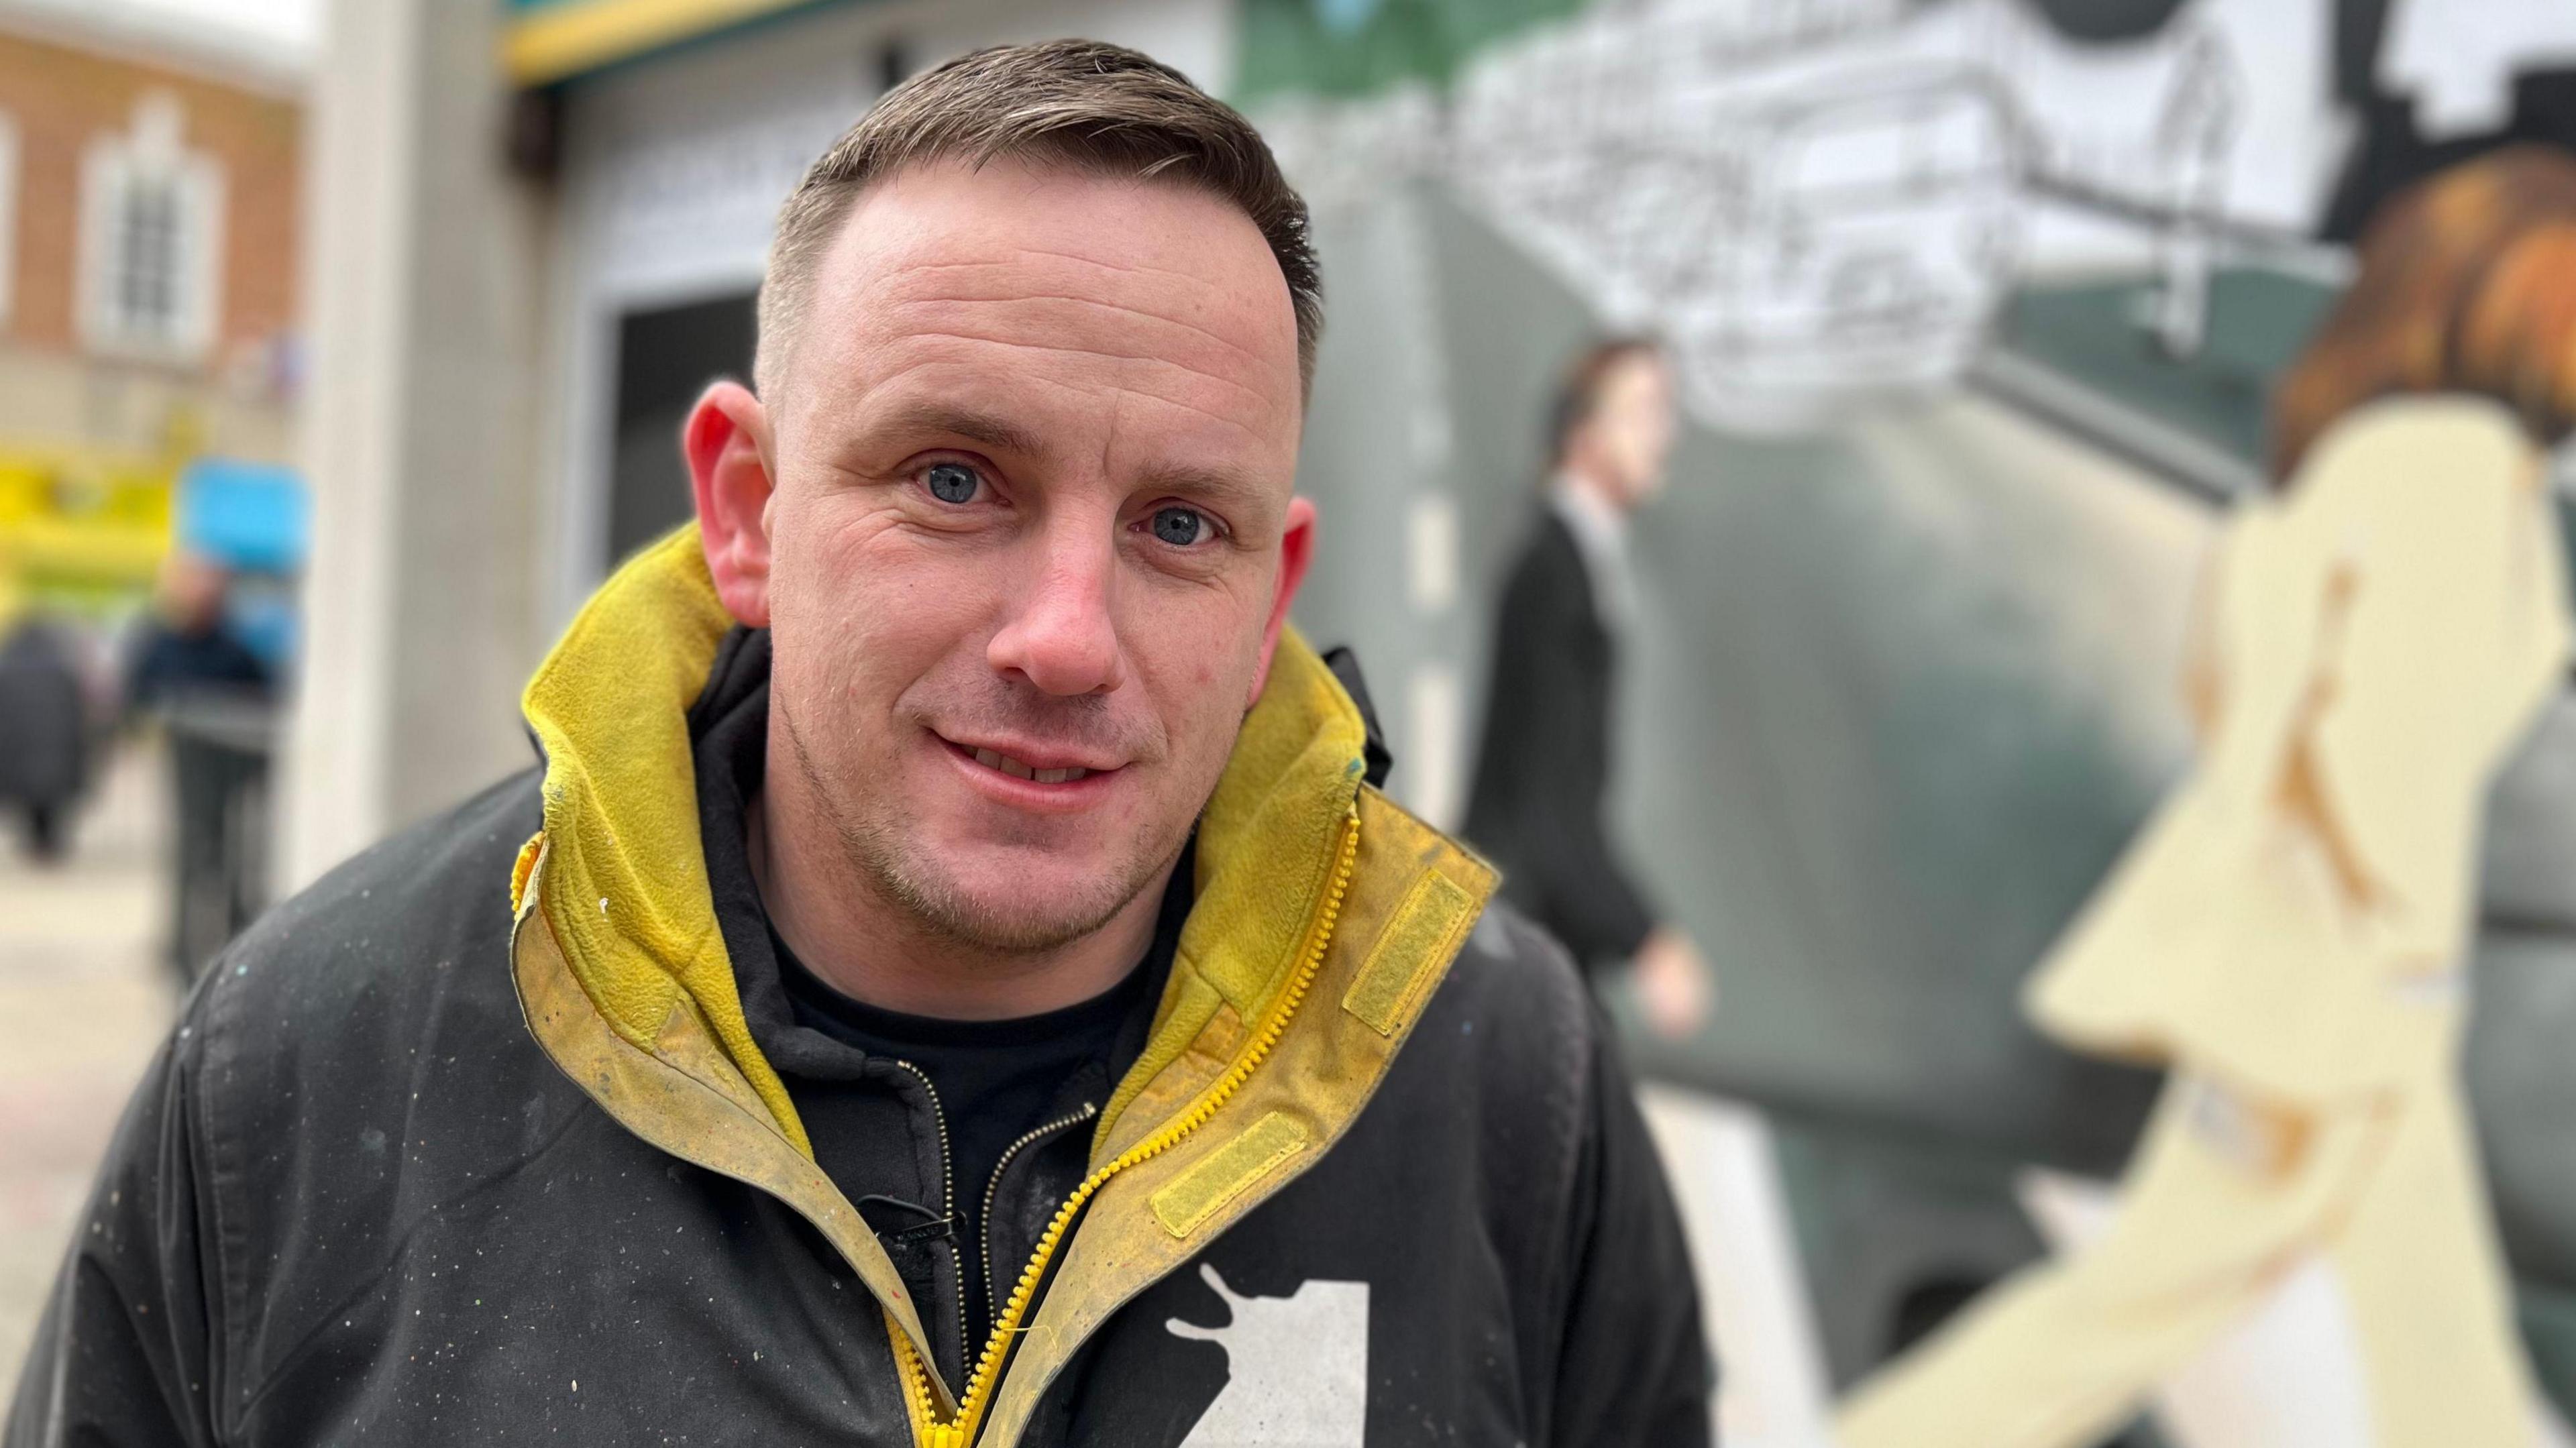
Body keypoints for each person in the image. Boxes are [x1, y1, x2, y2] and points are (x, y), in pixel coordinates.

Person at [7, 42, 1710, 1448]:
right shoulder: (307, 1065)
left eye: (1178, 524)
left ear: (1271, 599)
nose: (1064, 635)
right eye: (954, 480)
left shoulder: (1500, 1079)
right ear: (745, 511)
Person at [1837, 146, 2576, 1448]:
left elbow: (2242, 674)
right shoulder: (2456, 474)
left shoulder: (2369, 455)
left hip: (2310, 985)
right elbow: (2381, 746)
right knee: (2168, 1310)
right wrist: (2416, 957)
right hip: (2350, 999)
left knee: (2407, 1329)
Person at [1465, 338, 1712, 1037]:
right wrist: (1648, 941)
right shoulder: (1554, 574)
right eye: (1643, 409)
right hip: (1517, 939)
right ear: (1583, 432)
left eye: (1666, 411)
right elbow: (1546, 806)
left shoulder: (1575, 562)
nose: (1664, 432)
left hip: (1526, 935)